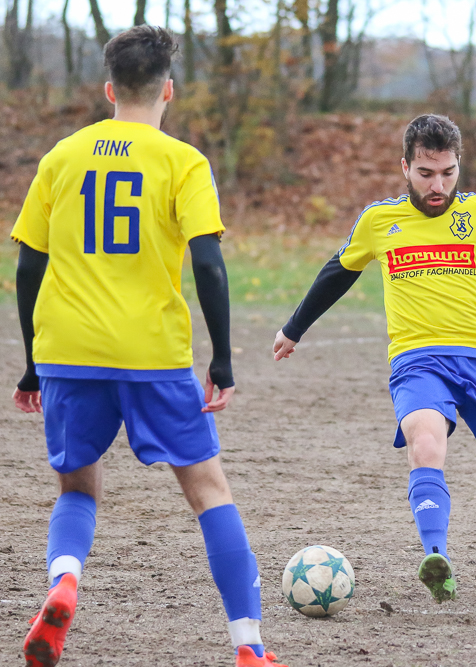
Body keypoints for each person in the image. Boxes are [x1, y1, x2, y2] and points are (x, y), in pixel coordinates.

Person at [11, 26, 286, 667]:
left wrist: (31, 365)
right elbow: (209, 265)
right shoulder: (183, 161)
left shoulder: (60, 157)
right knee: (209, 490)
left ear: (110, 90)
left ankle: (64, 582)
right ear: (169, 90)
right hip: (152, 354)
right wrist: (221, 359)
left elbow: (27, 268)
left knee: (77, 489)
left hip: (67, 349)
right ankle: (248, 646)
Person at [273, 114, 476, 602]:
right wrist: (293, 328)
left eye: (448, 173)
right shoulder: (379, 221)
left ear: (458, 166)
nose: (438, 185)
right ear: (405, 167)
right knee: (425, 444)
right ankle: (437, 558)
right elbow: (338, 272)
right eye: (426, 173)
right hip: (418, 360)